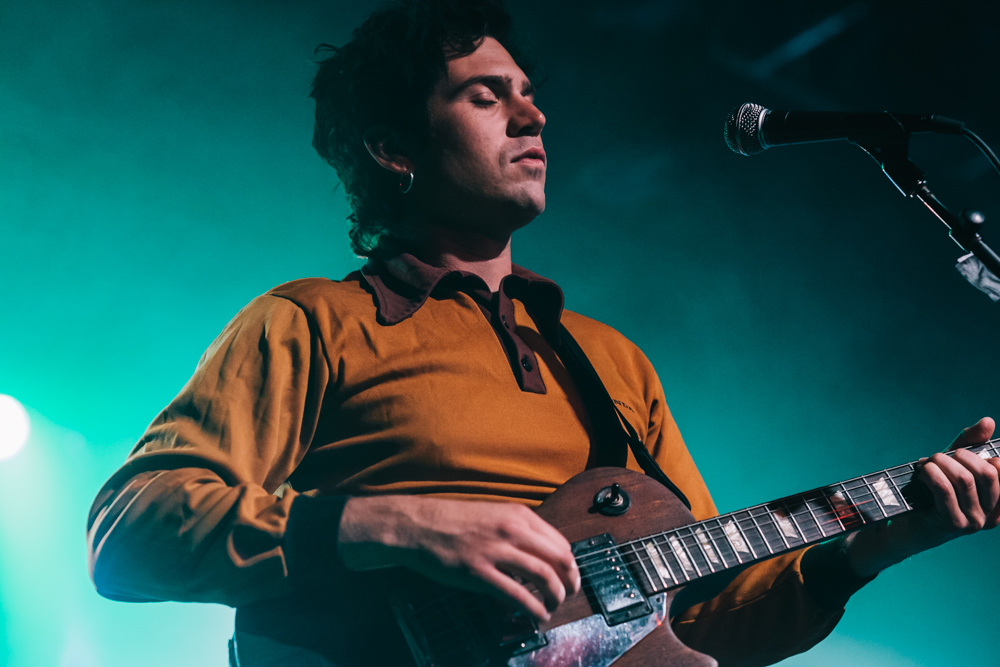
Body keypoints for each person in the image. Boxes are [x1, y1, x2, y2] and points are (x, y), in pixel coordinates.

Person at [86, 1, 1000, 665]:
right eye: (487, 97)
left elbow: (696, 617)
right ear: (394, 147)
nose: (535, 115)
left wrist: (870, 546)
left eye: (528, 93)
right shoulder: (311, 320)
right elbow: (130, 534)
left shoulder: (611, 361)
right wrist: (396, 523)